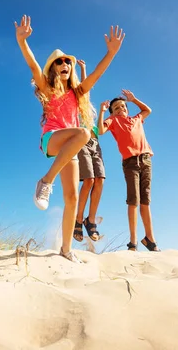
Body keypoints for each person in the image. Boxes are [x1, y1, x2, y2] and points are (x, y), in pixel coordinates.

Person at [14, 15, 125, 262]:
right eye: (59, 62)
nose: (64, 64)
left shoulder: (78, 92)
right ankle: (45, 181)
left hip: (70, 148)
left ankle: (65, 250)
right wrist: (22, 42)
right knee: (84, 133)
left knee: (72, 198)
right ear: (53, 67)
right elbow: (33, 66)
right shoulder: (48, 89)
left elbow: (96, 74)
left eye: (67, 61)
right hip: (53, 139)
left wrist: (112, 53)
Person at [97, 90, 160, 251]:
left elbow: (147, 110)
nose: (121, 109)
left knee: (145, 201)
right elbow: (101, 131)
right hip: (130, 163)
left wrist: (134, 100)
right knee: (133, 201)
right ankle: (133, 242)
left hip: (146, 160)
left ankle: (150, 239)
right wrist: (102, 112)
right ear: (113, 112)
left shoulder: (137, 119)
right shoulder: (112, 120)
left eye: (123, 106)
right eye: (116, 108)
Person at [74, 59, 105, 243]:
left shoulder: (86, 104)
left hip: (95, 143)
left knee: (100, 180)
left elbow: (87, 86)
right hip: (81, 140)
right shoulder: (71, 104)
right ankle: (78, 219)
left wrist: (83, 68)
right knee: (89, 180)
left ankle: (90, 220)